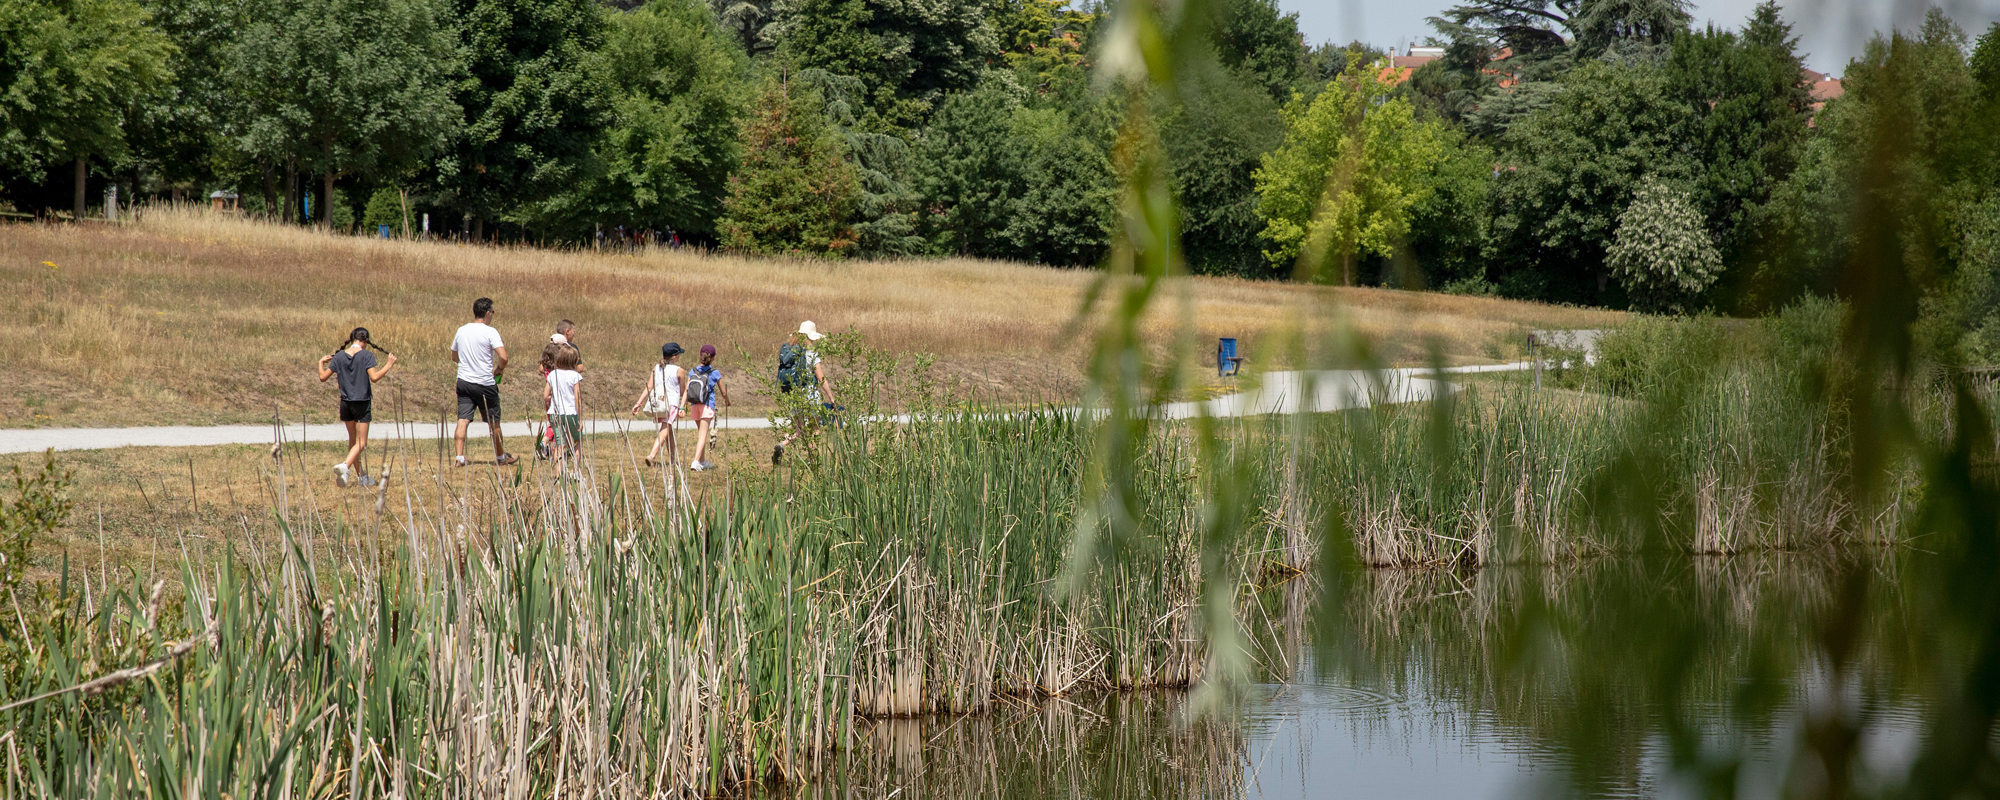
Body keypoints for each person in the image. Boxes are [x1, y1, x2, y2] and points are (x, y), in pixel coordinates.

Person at [317, 327, 398, 487]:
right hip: (361, 403)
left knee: (353, 441)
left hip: (345, 403)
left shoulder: (339, 356)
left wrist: (320, 362)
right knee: (361, 443)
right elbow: (374, 377)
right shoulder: (366, 355)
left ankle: (361, 476)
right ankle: (345, 466)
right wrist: (388, 365)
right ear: (365, 341)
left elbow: (322, 377)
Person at [450, 297, 516, 467]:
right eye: (492, 312)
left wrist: (467, 363)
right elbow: (503, 356)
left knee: (463, 419)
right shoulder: (490, 332)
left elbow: (454, 356)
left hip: (464, 381)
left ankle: (459, 457)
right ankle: (501, 457)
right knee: (494, 421)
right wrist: (499, 369)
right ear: (487, 313)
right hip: (485, 383)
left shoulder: (461, 330)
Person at [772, 321, 835, 465]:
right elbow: (821, 378)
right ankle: (812, 459)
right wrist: (831, 397)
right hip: (810, 394)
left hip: (796, 394)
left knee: (799, 428)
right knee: (815, 427)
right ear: (810, 337)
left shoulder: (792, 352)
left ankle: (782, 444)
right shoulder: (811, 354)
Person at [631, 342, 687, 468]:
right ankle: (652, 455)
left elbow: (649, 386)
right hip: (671, 403)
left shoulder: (656, 368)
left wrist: (638, 403)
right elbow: (683, 391)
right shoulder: (680, 371)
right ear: (674, 357)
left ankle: (673, 460)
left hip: (659, 403)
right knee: (665, 430)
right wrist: (683, 406)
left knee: (668, 431)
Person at [687, 344, 730, 471]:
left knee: (701, 433)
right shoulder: (715, 373)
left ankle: (702, 461)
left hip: (694, 405)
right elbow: (723, 392)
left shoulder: (692, 371)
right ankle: (695, 462)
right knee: (703, 435)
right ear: (714, 357)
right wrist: (727, 401)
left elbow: (687, 389)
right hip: (707, 406)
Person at [543, 343, 583, 477]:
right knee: (577, 440)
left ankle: (558, 472)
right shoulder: (574, 376)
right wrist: (580, 419)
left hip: (555, 412)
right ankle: (575, 471)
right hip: (570, 412)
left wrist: (554, 397)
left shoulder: (553, 374)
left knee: (560, 443)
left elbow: (545, 396)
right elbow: (577, 398)